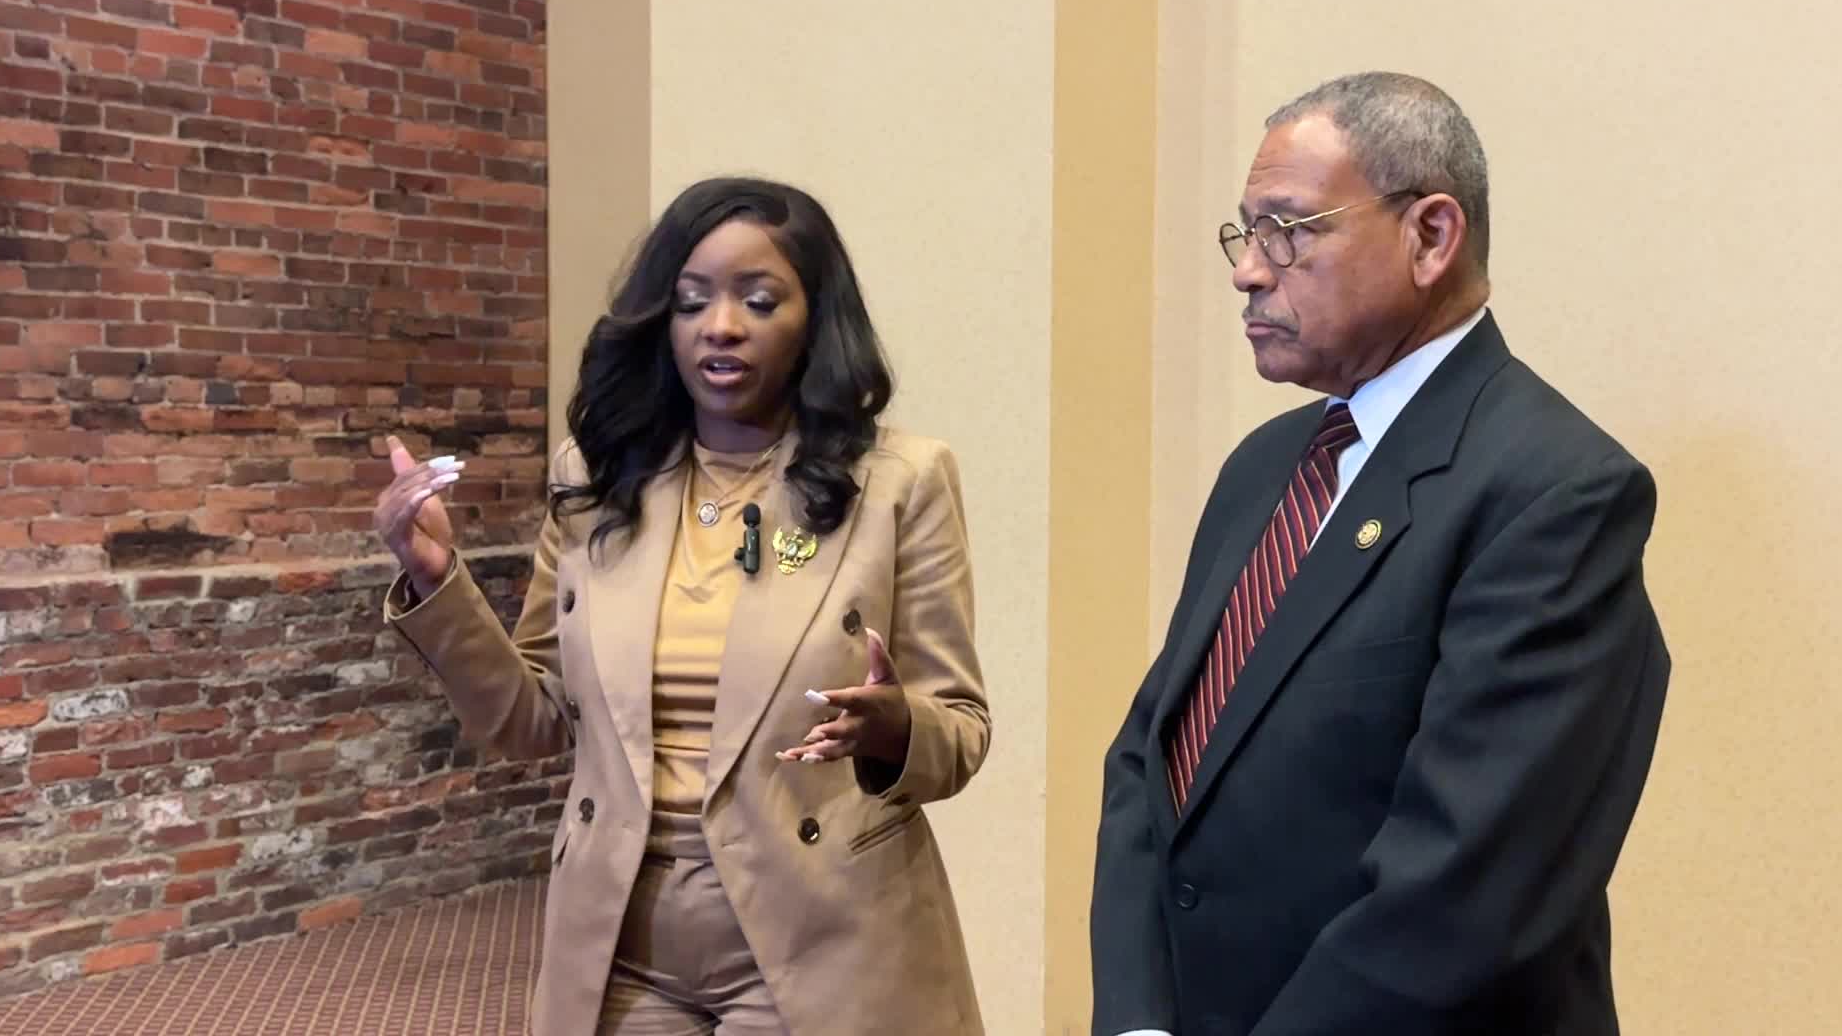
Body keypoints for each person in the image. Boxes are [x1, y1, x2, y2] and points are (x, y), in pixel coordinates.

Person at [1090, 72, 1669, 1036]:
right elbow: (1150, 763)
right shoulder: (1267, 467)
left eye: (1289, 228)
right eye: (1245, 231)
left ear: (1431, 236)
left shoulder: (1558, 491)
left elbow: (1469, 893)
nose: (1247, 269)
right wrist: (1141, 1020)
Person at [375, 177, 990, 1035]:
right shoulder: (597, 479)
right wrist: (439, 579)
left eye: (759, 299)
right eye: (692, 301)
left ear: (814, 317)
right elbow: (533, 721)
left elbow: (959, 728)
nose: (721, 326)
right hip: (627, 948)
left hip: (814, 943)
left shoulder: (898, 484)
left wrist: (892, 727)